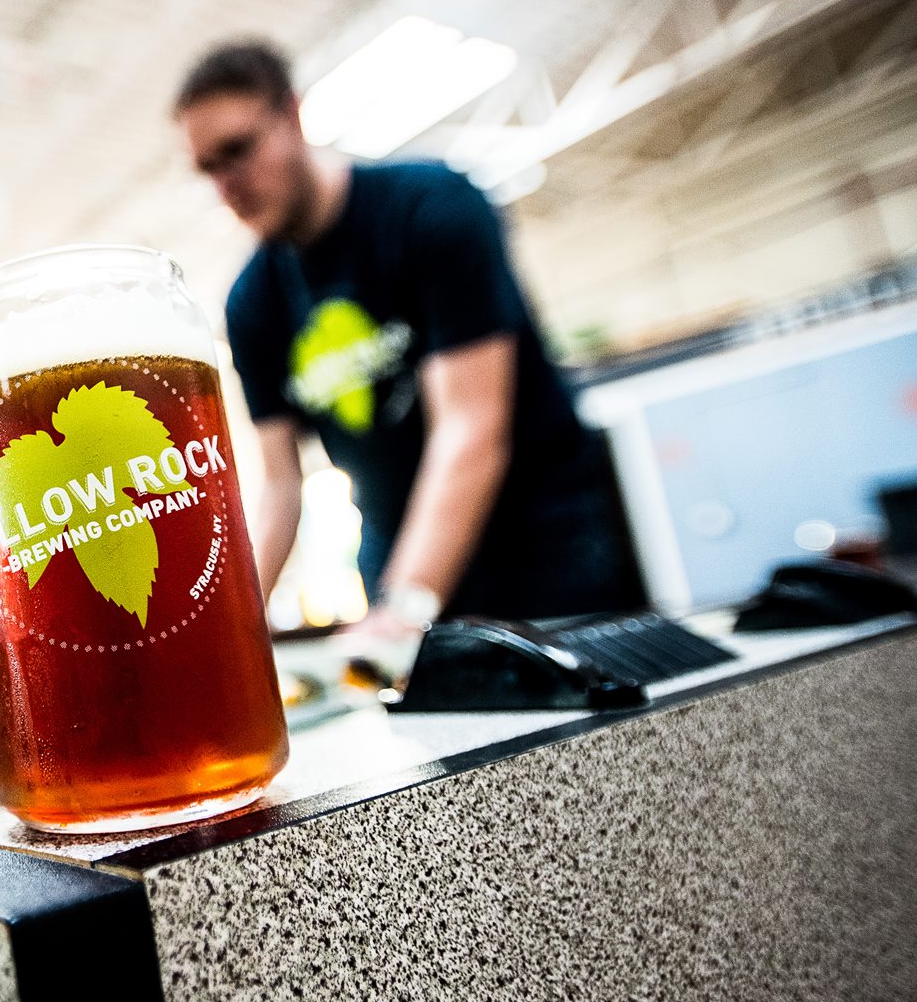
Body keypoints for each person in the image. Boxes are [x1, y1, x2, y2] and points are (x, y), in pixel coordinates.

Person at [173, 39, 643, 655]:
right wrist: (227, 643)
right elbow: (280, 487)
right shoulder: (250, 302)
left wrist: (408, 603)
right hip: (396, 565)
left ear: (291, 114)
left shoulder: (432, 207)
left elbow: (472, 427)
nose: (226, 184)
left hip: (544, 553)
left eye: (237, 150)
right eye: (208, 168)